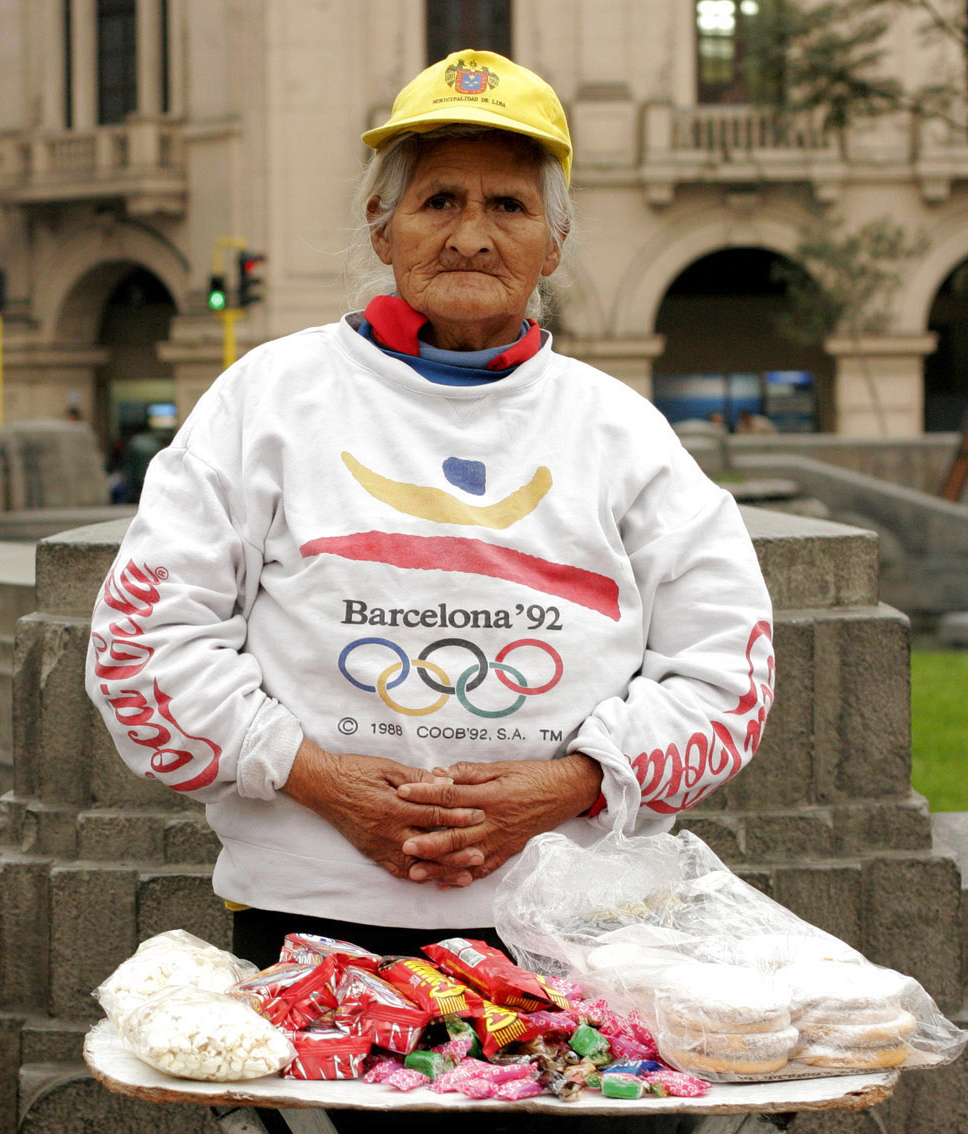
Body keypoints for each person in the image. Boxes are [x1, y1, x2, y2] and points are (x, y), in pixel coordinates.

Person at [84, 50, 774, 1133]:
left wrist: (571, 783)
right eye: (438, 198)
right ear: (381, 225)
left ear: (552, 242)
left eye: (508, 204)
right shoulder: (267, 400)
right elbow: (141, 646)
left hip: (564, 932)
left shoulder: (621, 432)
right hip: (317, 925)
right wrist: (317, 778)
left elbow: (727, 667)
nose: (470, 233)